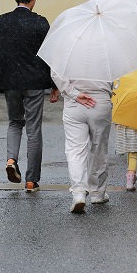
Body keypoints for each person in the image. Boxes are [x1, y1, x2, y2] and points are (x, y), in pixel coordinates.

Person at [0, 0, 59, 192]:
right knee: (33, 129)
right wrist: (54, 84)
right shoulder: (40, 22)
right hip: (34, 82)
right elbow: (49, 55)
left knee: (14, 122)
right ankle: (31, 180)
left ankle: (11, 160)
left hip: (9, 81)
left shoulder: (1, 21)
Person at [51, 73, 112, 213]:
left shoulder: (66, 50)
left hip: (74, 102)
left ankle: (78, 192)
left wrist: (73, 93)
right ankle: (97, 193)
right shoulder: (105, 50)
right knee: (99, 147)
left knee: (75, 149)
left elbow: (56, 73)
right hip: (100, 99)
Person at [114, 124, 137, 191]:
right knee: (133, 152)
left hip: (123, 127)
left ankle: (130, 176)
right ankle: (131, 175)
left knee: (129, 149)